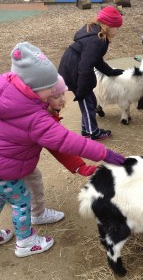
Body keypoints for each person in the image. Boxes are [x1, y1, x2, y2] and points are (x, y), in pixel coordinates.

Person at [0, 41, 125, 257]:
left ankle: (37, 214)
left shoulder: (9, 88)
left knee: (9, 193)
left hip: (11, 161)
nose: (57, 95)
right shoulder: (35, 117)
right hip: (6, 168)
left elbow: (57, 146)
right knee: (21, 201)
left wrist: (78, 166)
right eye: (50, 89)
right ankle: (26, 241)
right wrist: (106, 154)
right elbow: (67, 141)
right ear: (36, 88)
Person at [24, 75, 98, 226]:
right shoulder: (41, 120)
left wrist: (78, 165)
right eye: (56, 96)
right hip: (14, 161)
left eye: (63, 94)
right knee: (32, 179)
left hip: (13, 158)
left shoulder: (37, 112)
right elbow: (59, 146)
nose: (62, 99)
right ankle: (37, 215)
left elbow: (57, 146)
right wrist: (80, 165)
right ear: (42, 98)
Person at [59, 6, 124, 140]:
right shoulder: (96, 40)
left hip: (74, 66)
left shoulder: (97, 33)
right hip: (74, 70)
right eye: (117, 27)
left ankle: (87, 129)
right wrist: (82, 88)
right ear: (109, 25)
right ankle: (92, 132)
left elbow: (96, 60)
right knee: (87, 101)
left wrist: (110, 72)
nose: (118, 30)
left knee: (90, 101)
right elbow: (85, 66)